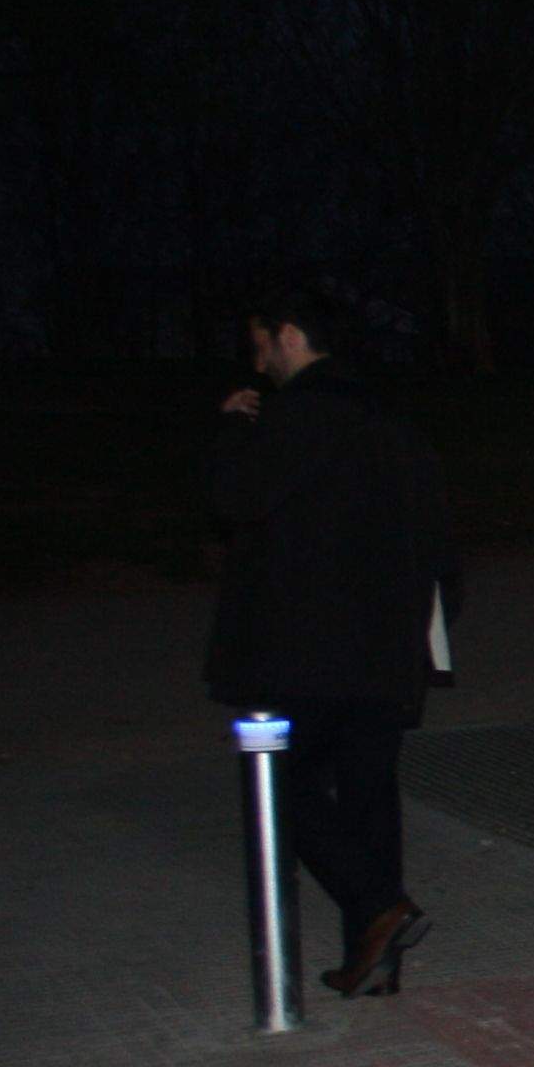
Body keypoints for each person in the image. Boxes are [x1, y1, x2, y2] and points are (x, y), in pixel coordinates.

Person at [206, 287, 456, 997]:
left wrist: (230, 430)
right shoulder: (391, 418)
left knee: (278, 785)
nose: (258, 362)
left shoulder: (293, 418)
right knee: (369, 797)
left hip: (303, 649)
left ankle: (378, 908)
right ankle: (374, 963)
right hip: (387, 646)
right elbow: (437, 531)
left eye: (260, 345)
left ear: (290, 335)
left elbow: (233, 500)